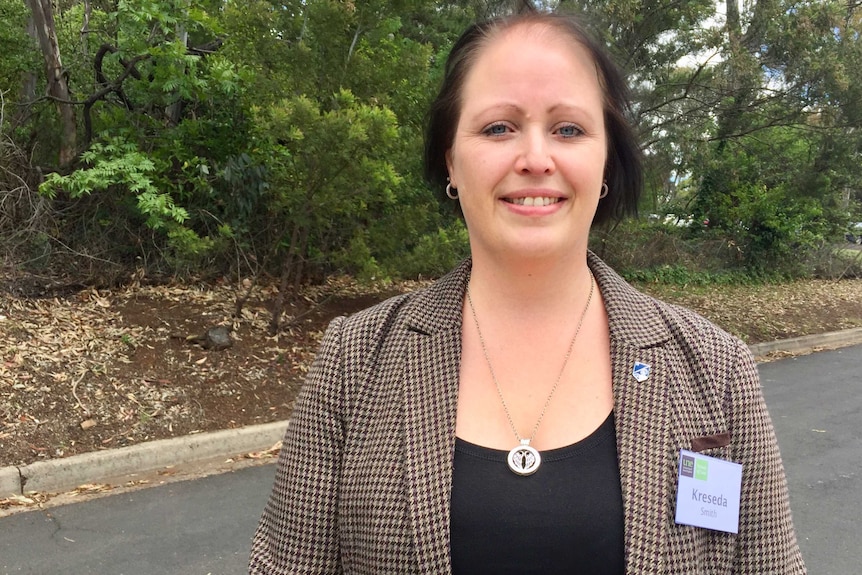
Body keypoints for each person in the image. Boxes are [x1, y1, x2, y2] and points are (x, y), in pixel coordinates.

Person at [249, 9, 806, 574]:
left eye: (568, 129)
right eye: (498, 127)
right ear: (452, 162)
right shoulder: (355, 358)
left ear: (606, 158)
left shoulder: (716, 370)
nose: (536, 159)